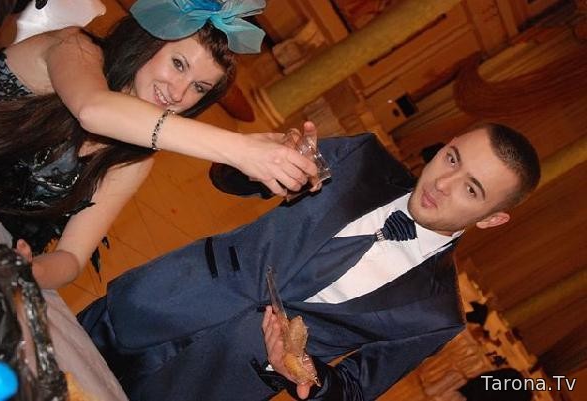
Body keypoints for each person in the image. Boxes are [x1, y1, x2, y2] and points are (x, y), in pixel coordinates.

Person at [78, 121, 541, 401]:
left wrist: (307, 375)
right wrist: (265, 163)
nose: (443, 183)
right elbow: (226, 178)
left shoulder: (436, 316)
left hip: (213, 384)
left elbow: (354, 391)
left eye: (471, 189)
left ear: (492, 219)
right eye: (452, 158)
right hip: (156, 301)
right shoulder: (361, 159)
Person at [0, 0, 317, 289]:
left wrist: (31, 271)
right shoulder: (74, 48)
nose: (178, 94)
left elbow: (72, 257)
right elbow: (92, 109)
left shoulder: (134, 159)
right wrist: (241, 149)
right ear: (147, 40)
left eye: (199, 88)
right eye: (178, 64)